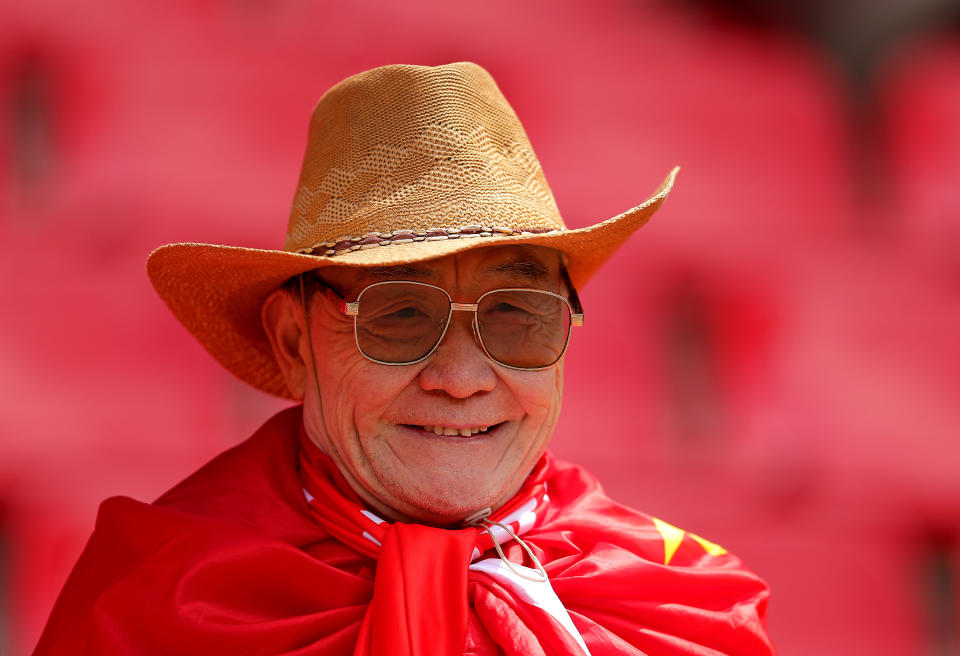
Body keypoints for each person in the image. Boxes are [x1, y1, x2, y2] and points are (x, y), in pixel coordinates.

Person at [35, 62, 774, 655]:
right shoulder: (156, 608)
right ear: (294, 342)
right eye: (398, 316)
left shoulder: (681, 597)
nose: (461, 380)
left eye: (515, 316)